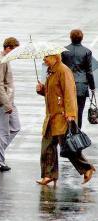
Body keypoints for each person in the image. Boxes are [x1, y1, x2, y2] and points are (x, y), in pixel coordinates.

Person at [36, 53, 95, 185]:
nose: (44, 59)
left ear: (55, 57)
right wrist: (41, 90)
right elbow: (52, 92)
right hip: (51, 116)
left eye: (46, 56)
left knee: (68, 147)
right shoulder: (50, 71)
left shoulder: (63, 71)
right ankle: (49, 175)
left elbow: (69, 93)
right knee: (47, 146)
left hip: (62, 117)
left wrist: (71, 114)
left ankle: (87, 168)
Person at [0, 37, 21, 171]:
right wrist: (7, 104)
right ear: (8, 48)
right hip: (3, 102)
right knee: (0, 131)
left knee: (15, 127)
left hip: (8, 100)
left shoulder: (5, 60)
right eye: (15, 50)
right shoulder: (1, 61)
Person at [61, 29, 95, 128]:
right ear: (82, 38)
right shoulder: (87, 52)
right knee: (79, 111)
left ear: (70, 38)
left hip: (67, 84)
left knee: (67, 110)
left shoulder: (63, 51)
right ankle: (77, 132)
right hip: (81, 85)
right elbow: (89, 71)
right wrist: (92, 87)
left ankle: (67, 132)